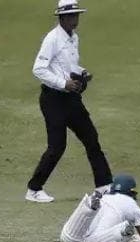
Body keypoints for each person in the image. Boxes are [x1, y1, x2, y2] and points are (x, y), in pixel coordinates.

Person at [26, 0, 112, 203]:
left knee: (91, 138)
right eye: (72, 16)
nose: (76, 19)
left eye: (77, 15)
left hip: (71, 99)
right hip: (53, 100)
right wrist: (63, 83)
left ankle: (104, 185)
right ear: (62, 18)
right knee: (57, 146)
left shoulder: (74, 38)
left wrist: (82, 72)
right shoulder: (52, 39)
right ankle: (34, 189)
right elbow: (38, 69)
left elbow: (69, 65)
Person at [59, 174, 140, 242]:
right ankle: (122, 232)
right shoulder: (133, 206)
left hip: (74, 232)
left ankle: (88, 207)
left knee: (69, 239)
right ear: (132, 192)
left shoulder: (103, 197)